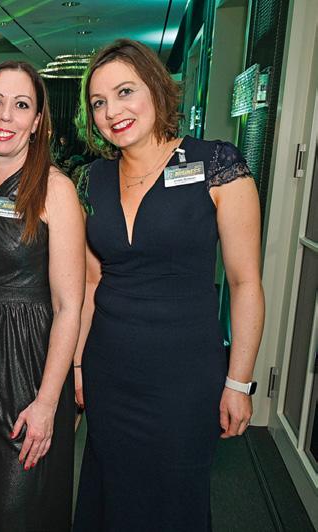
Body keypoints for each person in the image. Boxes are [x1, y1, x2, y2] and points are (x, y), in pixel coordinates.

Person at [72, 39, 265, 531]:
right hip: (109, 371)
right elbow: (92, 283)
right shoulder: (91, 179)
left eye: (125, 92)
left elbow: (244, 283)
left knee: (176, 501)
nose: (112, 111)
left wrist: (238, 382)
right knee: (111, 493)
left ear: (157, 88)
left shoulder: (217, 164)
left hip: (185, 376)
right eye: (99, 102)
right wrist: (77, 365)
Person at [0, 60, 85, 531]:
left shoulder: (56, 189)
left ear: (37, 121)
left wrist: (48, 402)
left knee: (18, 509)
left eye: (21, 104)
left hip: (26, 368)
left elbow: (69, 307)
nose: (6, 115)